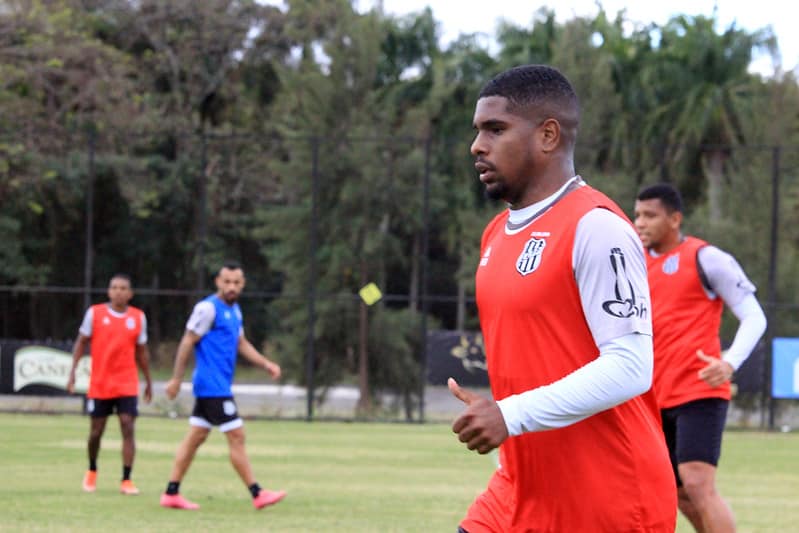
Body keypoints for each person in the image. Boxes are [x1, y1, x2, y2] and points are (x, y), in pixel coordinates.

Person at [447, 64, 677, 532]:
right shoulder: (495, 234)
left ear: (548, 135)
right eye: (478, 131)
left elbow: (631, 366)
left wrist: (510, 414)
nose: (477, 145)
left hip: (606, 499)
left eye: (495, 129)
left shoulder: (597, 227)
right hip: (519, 489)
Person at [634, 183, 767, 532]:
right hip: (652, 398)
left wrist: (729, 363)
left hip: (698, 391)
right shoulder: (633, 263)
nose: (640, 223)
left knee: (696, 483)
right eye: (637, 215)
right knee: (676, 492)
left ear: (675, 219)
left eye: (650, 215)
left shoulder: (706, 259)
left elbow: (755, 316)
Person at [159, 261, 286, 511]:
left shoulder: (235, 310)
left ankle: (171, 493)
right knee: (236, 435)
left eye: (236, 282)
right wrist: (176, 378)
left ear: (243, 284)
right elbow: (187, 341)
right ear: (218, 281)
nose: (231, 287)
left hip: (218, 385)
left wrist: (266, 364)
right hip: (211, 386)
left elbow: (241, 343)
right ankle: (257, 493)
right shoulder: (207, 309)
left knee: (196, 437)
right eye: (227, 282)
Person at [67, 273, 153, 495]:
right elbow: (81, 342)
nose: (118, 291)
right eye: (114, 287)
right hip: (101, 383)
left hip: (126, 382)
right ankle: (92, 470)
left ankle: (126, 479)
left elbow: (142, 352)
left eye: (123, 288)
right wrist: (73, 372)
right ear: (108, 291)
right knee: (96, 432)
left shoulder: (138, 317)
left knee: (127, 425)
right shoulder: (94, 314)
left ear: (130, 293)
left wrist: (149, 381)